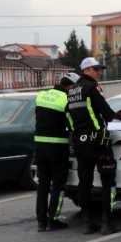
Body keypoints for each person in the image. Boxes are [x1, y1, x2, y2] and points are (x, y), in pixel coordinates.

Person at [67, 58, 121, 235]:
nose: (99, 72)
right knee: (108, 181)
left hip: (80, 141)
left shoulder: (72, 91)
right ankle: (108, 223)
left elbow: (69, 116)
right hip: (98, 140)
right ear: (87, 70)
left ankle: (87, 223)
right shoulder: (91, 88)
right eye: (97, 69)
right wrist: (119, 115)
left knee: (85, 182)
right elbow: (107, 113)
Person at [34, 72, 79, 232]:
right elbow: (72, 125)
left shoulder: (41, 95)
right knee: (58, 185)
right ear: (71, 86)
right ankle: (53, 219)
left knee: (43, 184)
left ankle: (41, 221)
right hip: (57, 148)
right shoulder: (66, 100)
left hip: (39, 146)